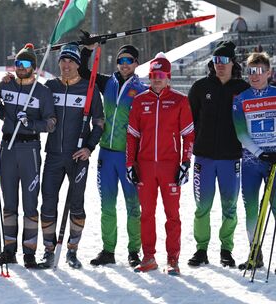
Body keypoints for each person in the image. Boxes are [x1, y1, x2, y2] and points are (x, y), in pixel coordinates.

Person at [78, 43, 147, 267]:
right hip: (106, 155)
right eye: (121, 60)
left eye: (129, 60)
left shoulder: (142, 89)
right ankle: (108, 250)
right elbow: (84, 72)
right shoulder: (107, 82)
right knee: (107, 205)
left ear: (136, 63)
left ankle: (134, 251)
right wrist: (87, 51)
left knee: (132, 206)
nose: (124, 64)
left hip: (129, 157)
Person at [126, 52, 194, 275]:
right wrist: (129, 164)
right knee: (146, 214)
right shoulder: (139, 101)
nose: (157, 78)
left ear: (168, 77)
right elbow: (132, 136)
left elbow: (188, 136)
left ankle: (173, 259)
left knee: (172, 215)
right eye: (154, 74)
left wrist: (185, 162)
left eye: (161, 74)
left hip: (170, 167)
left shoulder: (180, 101)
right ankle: (149, 257)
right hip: (145, 167)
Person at [38, 42, 104, 269]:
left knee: (77, 205)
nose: (66, 65)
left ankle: (72, 251)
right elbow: (29, 97)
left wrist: (89, 147)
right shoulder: (49, 87)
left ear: (77, 64)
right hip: (54, 155)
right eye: (63, 61)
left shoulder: (89, 89)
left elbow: (99, 123)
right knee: (47, 203)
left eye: (71, 61)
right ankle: (48, 250)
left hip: (78, 157)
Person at [0, 43, 56, 269]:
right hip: (7, 148)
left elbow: (51, 123)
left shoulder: (42, 91)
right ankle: (9, 250)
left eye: (26, 63)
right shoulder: (7, 85)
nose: (21, 67)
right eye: (18, 63)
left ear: (34, 67)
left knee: (30, 204)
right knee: (9, 203)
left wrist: (32, 124)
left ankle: (29, 251)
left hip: (30, 150)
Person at [232, 52, 276, 275]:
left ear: (269, 72)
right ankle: (254, 255)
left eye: (260, 71)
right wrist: (260, 153)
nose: (255, 75)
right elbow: (241, 133)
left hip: (274, 163)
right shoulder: (240, 99)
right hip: (252, 162)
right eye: (251, 71)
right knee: (251, 210)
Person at [187, 41, 250, 268]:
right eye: (216, 60)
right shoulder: (200, 87)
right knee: (202, 207)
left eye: (224, 60)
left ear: (233, 63)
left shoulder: (243, 89)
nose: (219, 65)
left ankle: (226, 250)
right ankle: (201, 249)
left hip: (230, 158)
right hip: (203, 158)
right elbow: (189, 122)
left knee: (229, 207)